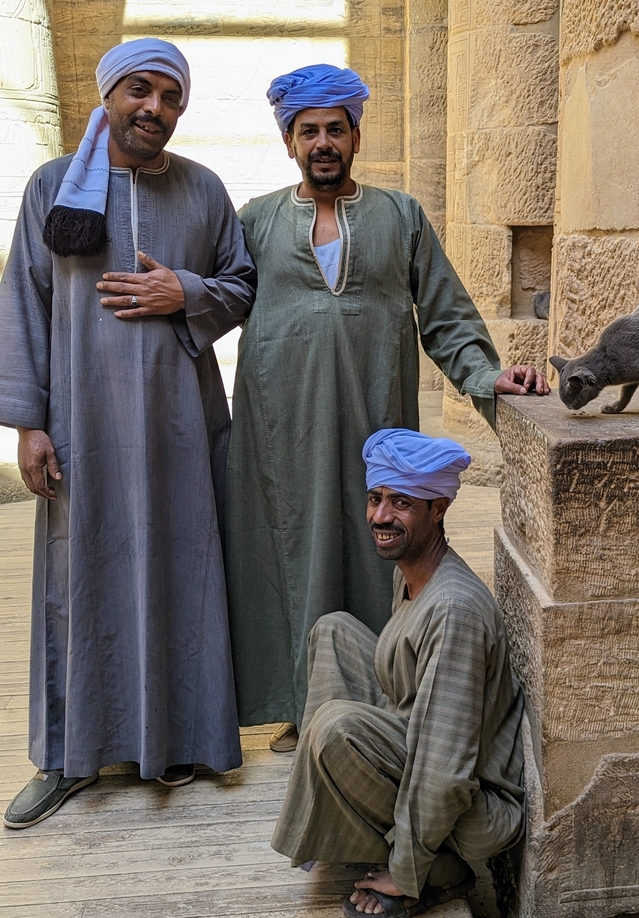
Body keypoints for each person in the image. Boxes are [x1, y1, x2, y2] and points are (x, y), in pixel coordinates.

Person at [224, 63, 549, 751]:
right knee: (294, 549)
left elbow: (447, 317)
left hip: (377, 412)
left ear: (355, 137)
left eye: (334, 130)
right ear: (289, 141)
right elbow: (211, 297)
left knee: (381, 542)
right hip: (283, 427)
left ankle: (380, 696)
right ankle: (300, 702)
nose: (322, 142)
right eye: (308, 130)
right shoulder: (254, 220)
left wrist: (490, 379)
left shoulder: (399, 215)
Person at [0, 38, 257, 829]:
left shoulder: (203, 191)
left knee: (182, 569)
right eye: (140, 91)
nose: (155, 109)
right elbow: (25, 301)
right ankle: (68, 758)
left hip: (179, 426)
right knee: (77, 582)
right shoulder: (53, 189)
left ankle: (179, 740)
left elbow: (241, 284)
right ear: (110, 95)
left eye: (170, 97)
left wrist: (185, 291)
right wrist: (30, 425)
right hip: (83, 429)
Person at [272, 428, 525, 917]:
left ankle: (436, 870)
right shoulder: (409, 569)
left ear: (438, 509)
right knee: (334, 631)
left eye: (401, 503)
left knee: (334, 728)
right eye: (375, 498)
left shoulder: (454, 610)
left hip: (473, 811)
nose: (381, 517)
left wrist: (406, 871)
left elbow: (445, 766)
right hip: (421, 745)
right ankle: (340, 811)